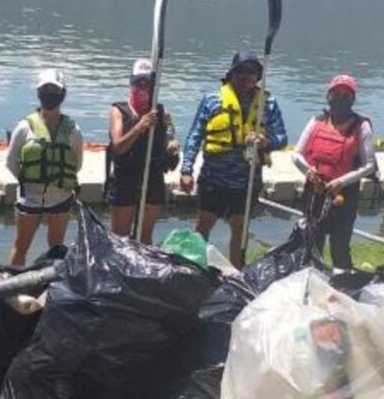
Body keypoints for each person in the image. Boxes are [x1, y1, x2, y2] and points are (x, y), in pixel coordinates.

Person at [180, 51, 288, 268]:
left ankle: (236, 274)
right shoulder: (212, 100)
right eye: (240, 71)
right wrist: (186, 169)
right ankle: (193, 270)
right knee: (203, 225)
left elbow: (282, 138)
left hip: (246, 180)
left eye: (250, 72)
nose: (245, 77)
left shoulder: (268, 103)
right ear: (231, 74)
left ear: (257, 76)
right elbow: (195, 135)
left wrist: (265, 141)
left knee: (239, 228)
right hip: (214, 177)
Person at [292, 75, 376, 270]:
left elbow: (369, 165)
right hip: (315, 190)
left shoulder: (362, 126)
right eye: (336, 94)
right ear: (328, 96)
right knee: (311, 242)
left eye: (346, 95)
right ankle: (310, 282)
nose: (340, 98)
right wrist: (308, 171)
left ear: (352, 99)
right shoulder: (316, 120)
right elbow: (296, 154)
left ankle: (344, 287)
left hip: (343, 194)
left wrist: (341, 181)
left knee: (339, 246)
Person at [5, 69, 83, 266]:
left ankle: (52, 288)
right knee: (21, 245)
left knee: (57, 247)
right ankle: (13, 289)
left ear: (63, 94)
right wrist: (30, 180)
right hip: (29, 197)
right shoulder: (24, 127)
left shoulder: (73, 130)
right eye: (45, 89)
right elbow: (11, 161)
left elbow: (77, 163)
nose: (50, 94)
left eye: (54, 89)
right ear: (39, 93)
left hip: (61, 197)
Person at [105, 58, 180, 244]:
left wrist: (172, 149)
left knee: (145, 238)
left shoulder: (163, 115)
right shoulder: (119, 111)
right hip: (125, 179)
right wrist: (140, 126)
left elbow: (170, 139)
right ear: (132, 83)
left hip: (152, 178)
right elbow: (118, 147)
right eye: (139, 83)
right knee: (119, 239)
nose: (144, 88)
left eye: (148, 83)